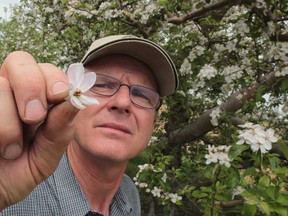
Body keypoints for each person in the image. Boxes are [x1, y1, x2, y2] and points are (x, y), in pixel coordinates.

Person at [0, 35, 178, 215]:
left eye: (142, 95)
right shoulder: (14, 190)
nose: (123, 102)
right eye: (102, 84)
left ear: (153, 123)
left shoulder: (129, 194)